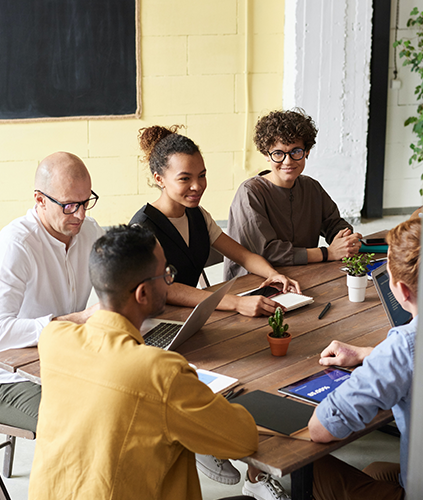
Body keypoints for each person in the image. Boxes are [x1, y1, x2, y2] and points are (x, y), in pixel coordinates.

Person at [28, 224, 261, 500]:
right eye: (166, 274)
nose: (170, 279)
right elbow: (243, 440)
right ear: (142, 294)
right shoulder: (161, 373)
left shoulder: (55, 341)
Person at [0, 152, 104, 433]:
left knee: (131, 399)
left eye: (85, 201)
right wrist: (79, 319)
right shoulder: (15, 246)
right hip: (2, 380)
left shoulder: (88, 232)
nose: (80, 214)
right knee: (79, 427)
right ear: (40, 200)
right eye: (68, 205)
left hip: (57, 361)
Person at [130, 124, 301, 320]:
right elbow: (165, 288)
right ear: (159, 179)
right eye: (185, 178)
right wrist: (237, 302)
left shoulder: (198, 215)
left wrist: (273, 274)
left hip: (189, 316)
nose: (197, 186)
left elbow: (244, 256)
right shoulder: (141, 228)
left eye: (202, 175)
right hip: (150, 324)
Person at [308, 217, 419, 499]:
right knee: (373, 470)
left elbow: (321, 429)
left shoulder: (404, 346)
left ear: (402, 291)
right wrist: (369, 355)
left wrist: (375, 365)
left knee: (313, 470)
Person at [224, 109, 362, 280]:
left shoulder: (311, 187)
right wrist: (327, 253)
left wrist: (345, 239)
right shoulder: (250, 193)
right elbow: (269, 252)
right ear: (266, 154)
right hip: (256, 283)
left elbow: (333, 223)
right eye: (278, 153)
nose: (288, 161)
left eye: (296, 151)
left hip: (303, 274)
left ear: (307, 151)